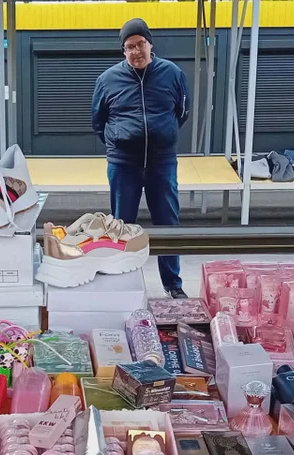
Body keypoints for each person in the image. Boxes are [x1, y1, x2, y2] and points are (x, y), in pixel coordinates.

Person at [92, 18, 190, 299]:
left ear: (150, 44)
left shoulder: (172, 74)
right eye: (129, 47)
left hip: (162, 162)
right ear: (123, 51)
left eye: (140, 44)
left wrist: (162, 136)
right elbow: (98, 121)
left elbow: (182, 112)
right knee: (121, 225)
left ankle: (173, 284)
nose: (136, 51)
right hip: (124, 164)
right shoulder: (107, 80)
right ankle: (119, 281)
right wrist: (121, 141)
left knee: (168, 223)